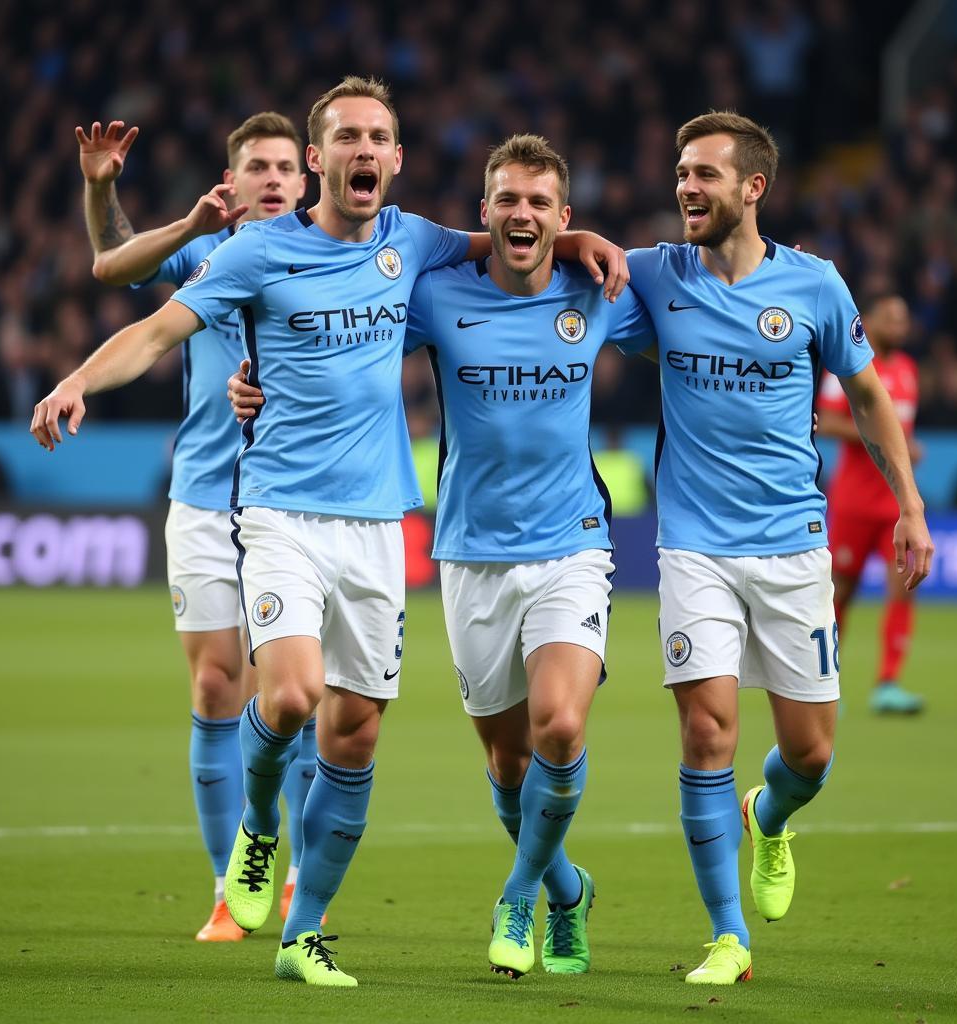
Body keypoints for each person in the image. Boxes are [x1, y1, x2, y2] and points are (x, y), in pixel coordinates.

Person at [32, 76, 628, 987]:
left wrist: (577, 235)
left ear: (394, 159)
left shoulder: (414, 242)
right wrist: (78, 379)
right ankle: (261, 825)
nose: (363, 151)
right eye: (346, 136)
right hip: (278, 512)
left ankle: (303, 935)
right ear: (320, 159)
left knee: (354, 737)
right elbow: (157, 330)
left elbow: (507, 247)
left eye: (378, 138)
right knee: (291, 695)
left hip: (378, 525)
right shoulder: (257, 251)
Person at [229, 134, 656, 979]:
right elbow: (341, 333)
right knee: (506, 763)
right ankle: (568, 888)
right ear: (485, 211)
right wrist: (256, 376)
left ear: (563, 217)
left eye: (541, 204)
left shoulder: (600, 290)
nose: (522, 214)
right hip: (469, 555)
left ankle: (520, 894)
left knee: (561, 727)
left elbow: (687, 335)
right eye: (507, 200)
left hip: (574, 544)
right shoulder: (433, 295)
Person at [625, 111, 933, 985]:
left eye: (705, 175)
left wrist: (910, 503)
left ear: (752, 187)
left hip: (793, 543)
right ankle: (728, 938)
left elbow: (868, 397)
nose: (687, 186)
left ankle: (770, 815)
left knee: (810, 754)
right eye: (681, 172)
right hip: (692, 547)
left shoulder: (816, 286)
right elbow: (565, 269)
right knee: (706, 730)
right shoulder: (655, 273)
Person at [75, 113, 316, 942]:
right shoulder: (204, 253)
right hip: (208, 500)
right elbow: (111, 266)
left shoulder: (342, 255)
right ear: (232, 181)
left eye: (287, 165)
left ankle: (301, 883)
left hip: (302, 503)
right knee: (218, 690)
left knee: (297, 698)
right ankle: (228, 889)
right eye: (258, 165)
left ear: (307, 177)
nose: (274, 177)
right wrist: (106, 186)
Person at [817, 293, 924, 713]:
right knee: (841, 590)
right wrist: (878, 433)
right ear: (870, 321)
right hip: (855, 502)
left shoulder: (909, 370)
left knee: (904, 588)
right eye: (891, 319)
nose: (899, 326)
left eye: (904, 319)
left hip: (897, 506)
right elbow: (826, 421)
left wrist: (906, 449)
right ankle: (825, 682)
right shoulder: (848, 364)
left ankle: (888, 684)